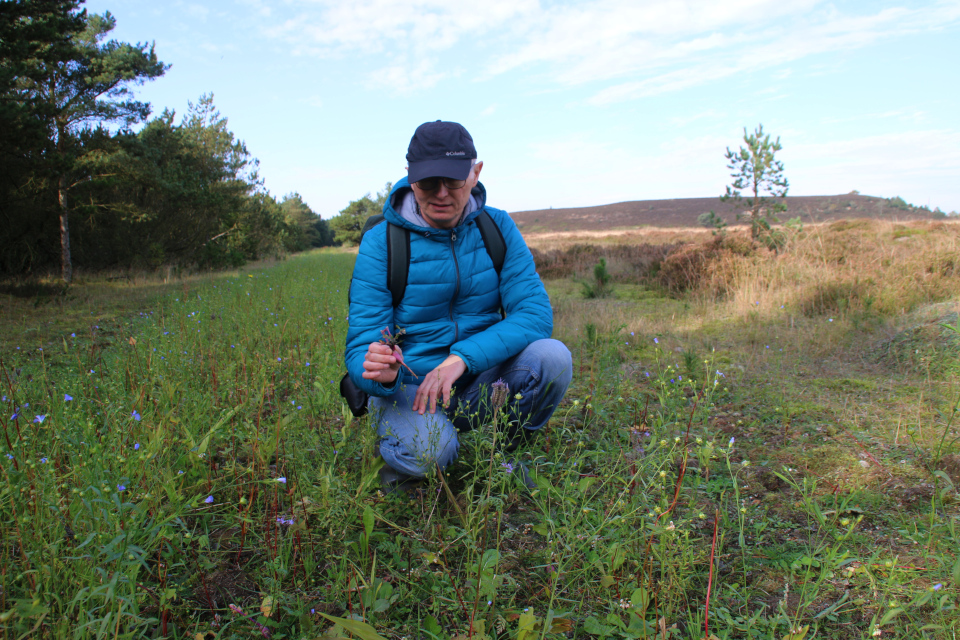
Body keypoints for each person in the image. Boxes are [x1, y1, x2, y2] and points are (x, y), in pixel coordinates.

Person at [344, 120, 572, 490]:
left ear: (475, 172)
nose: (440, 195)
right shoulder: (381, 242)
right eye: (426, 183)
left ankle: (503, 455)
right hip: (411, 387)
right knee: (431, 453)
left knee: (553, 357)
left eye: (452, 181)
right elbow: (361, 347)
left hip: (478, 379)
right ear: (409, 176)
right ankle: (406, 461)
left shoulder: (497, 228)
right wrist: (378, 372)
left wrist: (461, 359)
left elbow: (534, 314)